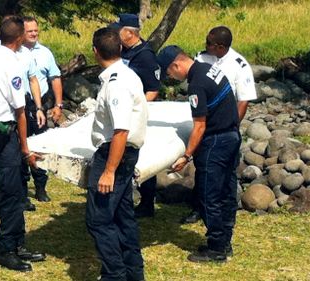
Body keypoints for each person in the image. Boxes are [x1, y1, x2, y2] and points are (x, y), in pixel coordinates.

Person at [0, 16, 46, 271]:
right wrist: (26, 148)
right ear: (18, 38)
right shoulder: (12, 64)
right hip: (5, 132)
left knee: (15, 189)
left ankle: (18, 243)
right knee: (11, 192)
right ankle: (7, 249)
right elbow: (19, 110)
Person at [157, 45, 241, 262]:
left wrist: (186, 155)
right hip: (232, 135)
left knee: (208, 195)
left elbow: (200, 126)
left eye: (169, 73)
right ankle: (224, 241)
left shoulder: (196, 84)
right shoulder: (208, 68)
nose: (171, 78)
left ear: (176, 65)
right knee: (226, 191)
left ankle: (216, 249)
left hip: (215, 142)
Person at [86, 27, 148, 281]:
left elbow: (121, 130)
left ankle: (115, 275)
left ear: (95, 52)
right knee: (123, 218)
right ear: (121, 49)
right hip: (122, 153)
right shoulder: (127, 74)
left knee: (99, 220)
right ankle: (134, 273)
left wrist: (108, 171)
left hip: (114, 154)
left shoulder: (116, 84)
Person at [180, 25, 257, 225]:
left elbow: (243, 100)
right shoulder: (202, 58)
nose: (205, 45)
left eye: (209, 43)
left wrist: (231, 125)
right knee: (203, 168)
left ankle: (227, 212)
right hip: (204, 122)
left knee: (226, 173)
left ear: (220, 46)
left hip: (224, 125)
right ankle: (199, 207)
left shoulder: (239, 65)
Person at [110, 13, 161, 218]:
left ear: (130, 33)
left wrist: (138, 109)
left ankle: (147, 202)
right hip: (121, 109)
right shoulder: (124, 51)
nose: (115, 34)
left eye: (119, 30)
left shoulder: (145, 56)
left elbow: (153, 89)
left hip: (137, 114)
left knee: (141, 156)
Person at [19, 16, 65, 202]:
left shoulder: (45, 53)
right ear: (21, 32)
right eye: (30, 31)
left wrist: (58, 104)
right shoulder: (14, 52)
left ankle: (40, 187)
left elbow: (55, 78)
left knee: (40, 145)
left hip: (40, 107)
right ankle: (21, 189)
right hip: (21, 106)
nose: (34, 34)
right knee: (20, 146)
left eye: (36, 30)